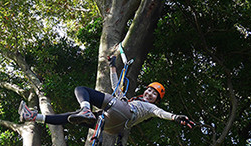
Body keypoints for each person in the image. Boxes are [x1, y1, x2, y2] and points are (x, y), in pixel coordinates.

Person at [18, 56, 195, 134]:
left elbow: (160, 113)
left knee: (82, 90)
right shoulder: (127, 99)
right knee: (69, 117)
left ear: (156, 100)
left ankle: (86, 109)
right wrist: (112, 66)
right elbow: (116, 87)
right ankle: (33, 117)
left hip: (124, 113)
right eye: (149, 90)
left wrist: (175, 117)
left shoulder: (150, 107)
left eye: (154, 94)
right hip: (112, 127)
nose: (150, 93)